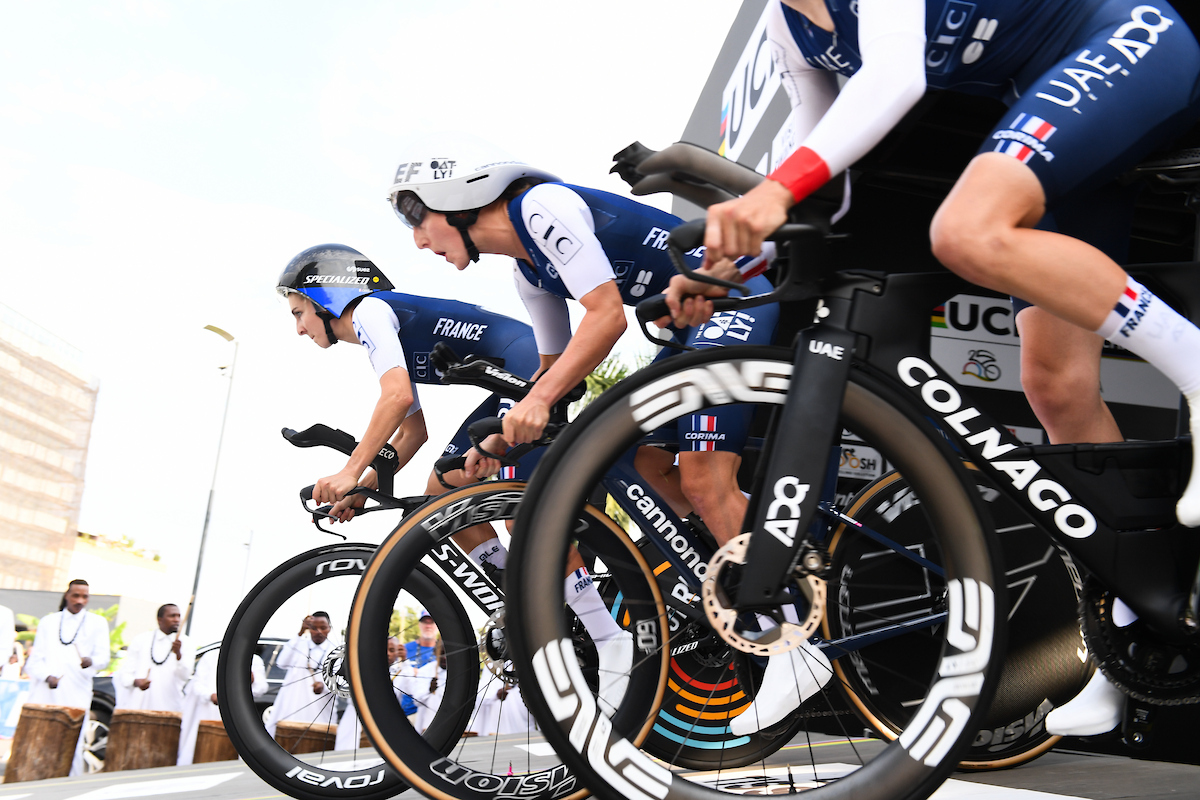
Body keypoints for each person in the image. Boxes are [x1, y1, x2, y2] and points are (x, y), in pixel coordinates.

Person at [662, 0, 1200, 737]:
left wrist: (771, 193)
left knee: (966, 229)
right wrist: (728, 261)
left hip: (1125, 41)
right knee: (1057, 386)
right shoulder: (793, 28)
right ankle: (1128, 638)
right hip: (1049, 105)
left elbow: (893, 79)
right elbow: (823, 158)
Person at [389, 142, 784, 709]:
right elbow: (554, 373)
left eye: (417, 219)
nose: (418, 240)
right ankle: (732, 568)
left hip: (733, 299)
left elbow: (606, 317)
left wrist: (540, 398)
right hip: (687, 331)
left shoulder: (541, 206)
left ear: (455, 203)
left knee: (703, 479)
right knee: (647, 463)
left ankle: (793, 636)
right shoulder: (530, 275)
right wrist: (498, 442)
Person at [278, 244, 636, 709]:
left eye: (299, 312)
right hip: (512, 376)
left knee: (519, 519)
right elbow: (411, 430)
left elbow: (394, 397)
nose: (299, 328)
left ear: (326, 295)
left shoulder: (369, 311)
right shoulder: (379, 328)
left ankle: (609, 638)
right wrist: (363, 489)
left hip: (532, 373)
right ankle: (531, 598)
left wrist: (348, 471)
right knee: (441, 492)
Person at [21, 579, 111, 775]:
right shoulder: (48, 622)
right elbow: (34, 661)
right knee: (41, 735)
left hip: (76, 691)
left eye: (84, 596)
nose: (80, 600)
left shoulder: (98, 623)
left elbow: (103, 659)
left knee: (73, 738)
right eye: (76, 595)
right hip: (46, 692)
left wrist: (90, 661)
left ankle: (68, 781)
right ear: (66, 596)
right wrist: (47, 677)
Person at [177, 649, 267, 765]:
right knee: (199, 751)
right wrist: (211, 696)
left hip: (236, 715)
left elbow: (261, 688)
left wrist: (253, 680)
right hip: (208, 712)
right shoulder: (210, 656)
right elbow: (197, 684)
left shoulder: (253, 660)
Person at [266, 613, 338, 738]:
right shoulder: (299, 644)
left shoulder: (336, 652)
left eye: (323, 628)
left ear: (329, 628)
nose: (319, 632)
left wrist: (324, 686)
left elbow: (341, 682)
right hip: (292, 706)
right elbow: (281, 662)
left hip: (319, 709)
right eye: (314, 628)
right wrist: (300, 633)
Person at [116, 603, 195, 714]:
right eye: (172, 616)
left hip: (169, 707)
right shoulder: (141, 640)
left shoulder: (186, 643)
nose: (177, 620)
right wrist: (136, 682)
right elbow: (126, 673)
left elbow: (185, 676)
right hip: (138, 706)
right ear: (159, 619)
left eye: (178, 616)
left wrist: (178, 654)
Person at [335, 635, 404, 750]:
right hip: (354, 718)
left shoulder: (402, 673)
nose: (387, 653)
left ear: (398, 652)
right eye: (383, 650)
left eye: (392, 650)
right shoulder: (360, 668)